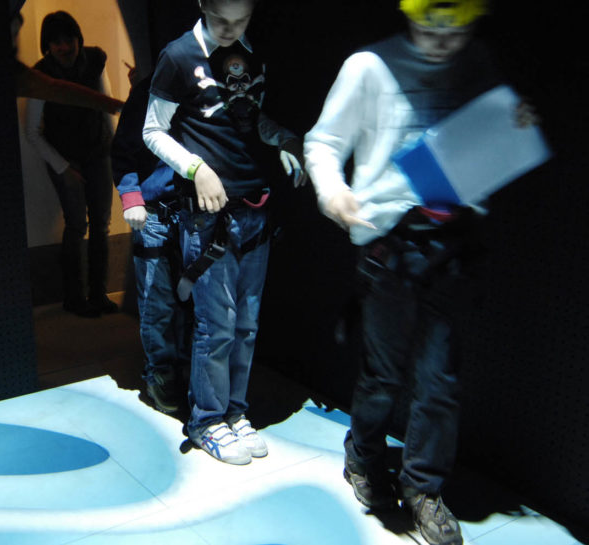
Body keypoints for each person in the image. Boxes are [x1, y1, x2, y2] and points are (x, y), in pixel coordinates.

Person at [304, 1, 536, 544]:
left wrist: (514, 124)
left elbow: (490, 132)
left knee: (440, 382)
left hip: (452, 246)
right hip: (390, 245)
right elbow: (324, 142)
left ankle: (423, 488)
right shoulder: (369, 66)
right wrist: (333, 191)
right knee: (383, 375)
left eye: (456, 29)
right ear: (412, 15)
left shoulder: (477, 63)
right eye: (431, 26)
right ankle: (363, 457)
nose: (442, 41)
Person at [143, 0, 306, 465]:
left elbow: (246, 118)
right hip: (208, 214)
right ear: (202, 5)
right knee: (215, 324)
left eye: (241, 20)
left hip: (254, 206)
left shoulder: (251, 51)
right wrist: (196, 169)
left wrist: (283, 138)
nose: (230, 30)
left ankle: (235, 411)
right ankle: (207, 420)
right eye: (221, 20)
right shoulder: (179, 56)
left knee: (246, 324)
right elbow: (153, 131)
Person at [25, 11, 119, 317]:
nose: (64, 47)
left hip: (98, 151)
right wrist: (63, 168)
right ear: (48, 47)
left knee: (101, 224)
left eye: (69, 40)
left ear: (78, 39)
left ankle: (99, 294)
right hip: (63, 156)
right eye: (57, 43)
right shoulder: (41, 75)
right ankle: (74, 298)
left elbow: (106, 107)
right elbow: (32, 132)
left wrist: (115, 150)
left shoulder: (95, 61)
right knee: (77, 224)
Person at [112, 70, 191, 413]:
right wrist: (131, 196)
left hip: (197, 210)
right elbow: (123, 148)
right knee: (157, 300)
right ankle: (161, 372)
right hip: (155, 210)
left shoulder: (206, 86)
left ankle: (188, 370)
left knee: (194, 299)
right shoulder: (148, 92)